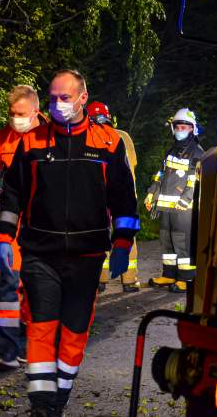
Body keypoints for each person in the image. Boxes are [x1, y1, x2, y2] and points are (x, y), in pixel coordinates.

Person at [0, 69, 138, 416]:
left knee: (74, 332)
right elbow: (12, 194)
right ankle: (42, 406)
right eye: (53, 98)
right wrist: (3, 237)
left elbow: (124, 199)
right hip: (39, 254)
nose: (57, 105)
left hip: (87, 256)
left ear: (82, 98)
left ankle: (59, 396)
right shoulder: (31, 142)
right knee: (41, 328)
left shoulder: (107, 143)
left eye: (65, 98)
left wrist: (121, 243)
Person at [0, 85, 45, 371]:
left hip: (44, 226)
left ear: (36, 112)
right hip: (12, 225)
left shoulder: (53, 137)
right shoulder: (2, 138)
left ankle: (31, 345)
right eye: (11, 114)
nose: (14, 119)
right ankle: (6, 351)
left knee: (38, 287)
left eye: (20, 114)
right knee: (9, 284)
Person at [145, 108, 204, 293]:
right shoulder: (171, 150)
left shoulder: (197, 152)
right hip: (166, 206)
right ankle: (169, 274)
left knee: (182, 243)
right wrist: (152, 193)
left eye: (184, 126)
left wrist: (185, 200)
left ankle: (186, 278)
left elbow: (195, 179)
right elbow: (161, 174)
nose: (180, 129)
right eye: (177, 126)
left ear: (192, 129)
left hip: (183, 208)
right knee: (167, 241)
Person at [87, 101, 141, 293]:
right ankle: (129, 279)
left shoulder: (89, 136)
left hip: (99, 196)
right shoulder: (123, 136)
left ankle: (99, 280)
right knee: (126, 233)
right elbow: (132, 164)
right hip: (124, 194)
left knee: (101, 233)